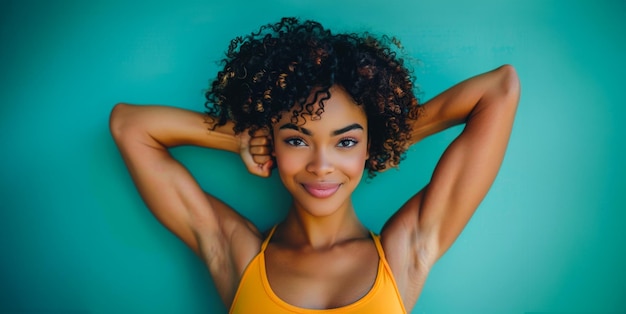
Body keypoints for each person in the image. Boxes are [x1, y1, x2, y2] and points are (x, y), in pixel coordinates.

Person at [109, 17, 520, 313]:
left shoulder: (405, 253)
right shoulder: (236, 253)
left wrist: (384, 137)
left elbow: (500, 89)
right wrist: (241, 137)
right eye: (297, 140)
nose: (322, 165)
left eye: (344, 141)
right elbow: (130, 126)